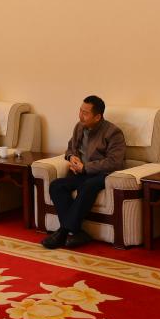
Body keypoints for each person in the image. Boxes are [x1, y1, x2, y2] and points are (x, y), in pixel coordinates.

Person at [43, 95, 126, 250]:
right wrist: (71, 157)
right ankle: (78, 232)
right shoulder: (79, 127)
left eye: (85, 113)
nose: (80, 116)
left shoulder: (113, 133)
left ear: (97, 117)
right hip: (80, 173)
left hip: (102, 175)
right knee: (56, 186)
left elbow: (114, 162)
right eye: (80, 111)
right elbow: (70, 148)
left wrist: (85, 167)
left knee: (87, 186)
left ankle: (63, 231)